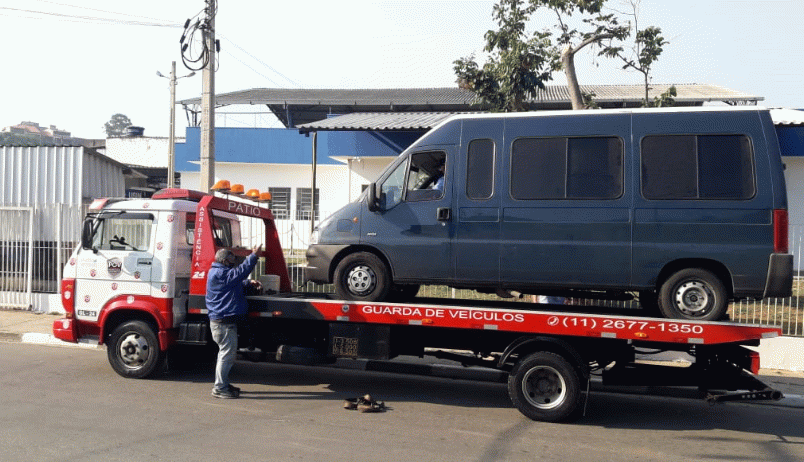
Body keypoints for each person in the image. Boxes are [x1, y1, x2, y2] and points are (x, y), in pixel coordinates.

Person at [206, 243, 262, 399]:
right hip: (223, 324)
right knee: (226, 356)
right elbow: (239, 273)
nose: (233, 263)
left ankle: (222, 384)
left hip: (222, 322)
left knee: (226, 355)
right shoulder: (220, 274)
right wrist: (253, 256)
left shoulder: (219, 272)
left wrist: (248, 283)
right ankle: (220, 388)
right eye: (231, 261)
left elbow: (234, 282)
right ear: (224, 261)